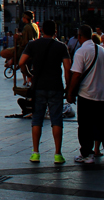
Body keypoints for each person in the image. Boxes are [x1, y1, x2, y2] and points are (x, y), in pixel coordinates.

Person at [18, 20, 71, 165]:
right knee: (56, 120)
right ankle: (58, 154)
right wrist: (68, 85)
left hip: (38, 86)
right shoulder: (61, 46)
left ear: (41, 30)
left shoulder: (33, 45)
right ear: (55, 31)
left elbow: (21, 62)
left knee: (37, 120)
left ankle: (35, 153)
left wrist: (29, 75)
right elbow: (67, 67)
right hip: (55, 86)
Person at [67, 25, 104, 163]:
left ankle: (87, 153)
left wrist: (70, 92)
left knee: (84, 125)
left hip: (87, 93)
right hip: (102, 94)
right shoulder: (102, 50)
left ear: (79, 36)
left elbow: (76, 75)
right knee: (103, 123)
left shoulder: (81, 52)